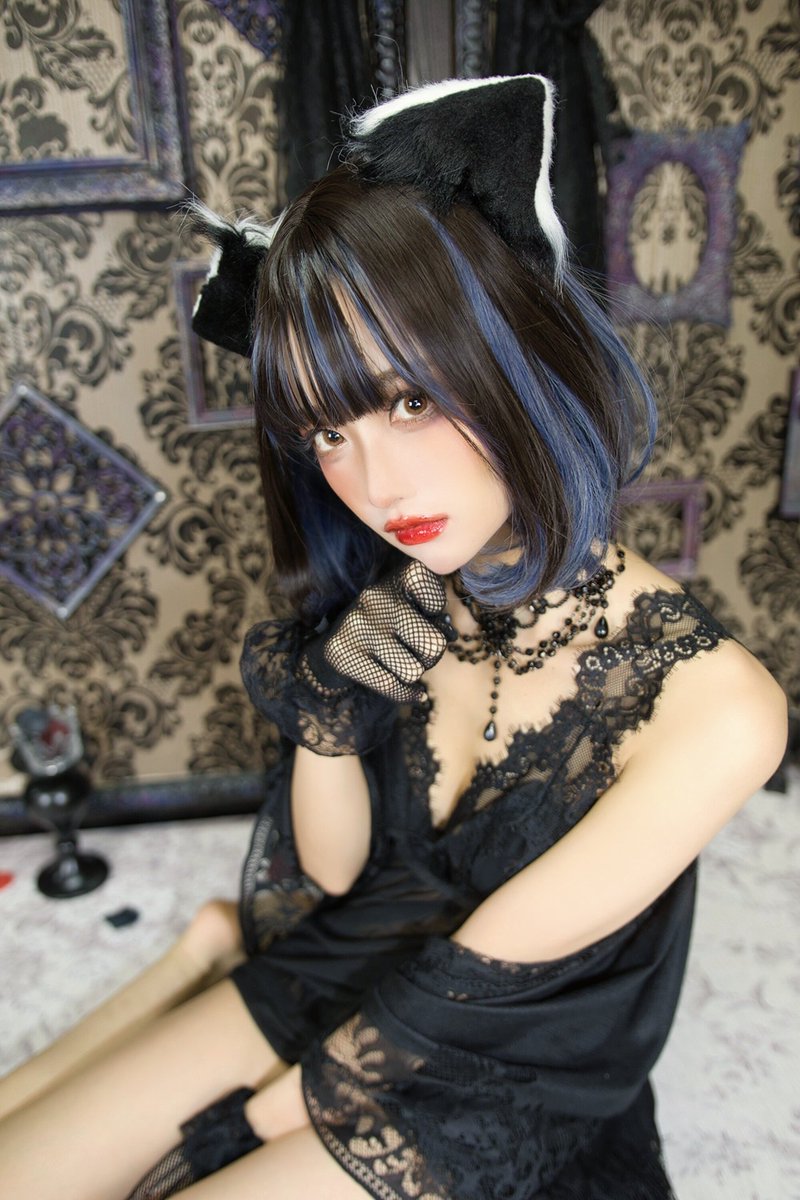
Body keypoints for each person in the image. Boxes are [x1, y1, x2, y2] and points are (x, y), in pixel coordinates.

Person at [0, 75, 787, 1200]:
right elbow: (333, 875)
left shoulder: (718, 709)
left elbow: (478, 976)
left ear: (517, 358)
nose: (373, 485)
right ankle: (205, 950)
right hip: (354, 949)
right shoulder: (404, 593)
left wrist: (257, 1119)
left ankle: (206, 959)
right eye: (326, 430)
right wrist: (329, 713)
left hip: (501, 1054)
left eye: (409, 401)